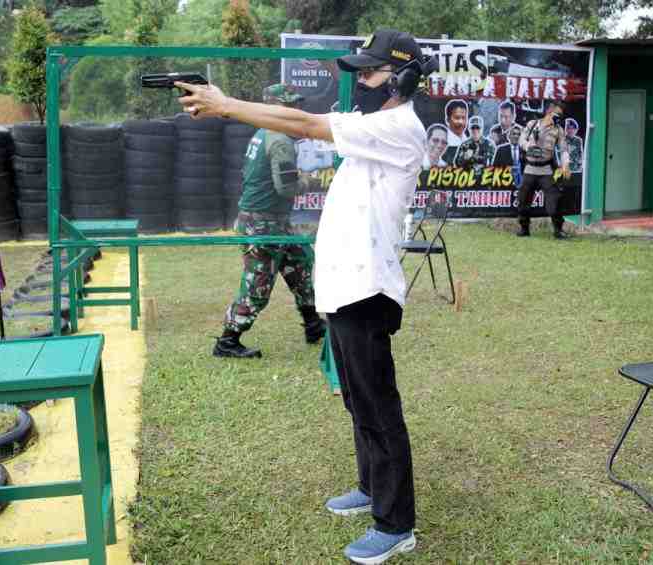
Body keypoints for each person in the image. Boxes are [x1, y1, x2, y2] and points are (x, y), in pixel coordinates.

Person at [176, 27, 433, 563]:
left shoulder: (398, 126)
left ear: (404, 78)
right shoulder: (370, 123)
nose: (360, 81)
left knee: (379, 406)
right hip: (345, 288)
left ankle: (396, 522)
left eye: (370, 72)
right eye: (359, 72)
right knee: (357, 399)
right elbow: (307, 132)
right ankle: (370, 488)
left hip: (367, 292)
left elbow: (303, 122)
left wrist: (225, 105)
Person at [213, 83, 326, 359]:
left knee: (302, 266)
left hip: (272, 220)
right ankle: (227, 341)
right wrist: (310, 181)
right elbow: (286, 187)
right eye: (292, 106)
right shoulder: (280, 140)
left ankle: (313, 324)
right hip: (261, 223)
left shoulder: (264, 133)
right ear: (278, 109)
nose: (298, 110)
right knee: (258, 285)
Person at [517, 100, 572, 239]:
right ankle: (524, 229)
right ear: (549, 111)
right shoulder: (532, 124)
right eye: (557, 114)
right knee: (523, 200)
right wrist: (528, 146)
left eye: (560, 115)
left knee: (554, 202)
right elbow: (521, 140)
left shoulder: (558, 130)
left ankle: (558, 230)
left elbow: (564, 149)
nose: (559, 117)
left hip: (546, 170)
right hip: (530, 169)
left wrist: (565, 164)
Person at [442, 98, 468, 164]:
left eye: (464, 118)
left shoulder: (468, 140)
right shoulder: (442, 143)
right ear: (447, 119)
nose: (461, 122)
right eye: (457, 118)